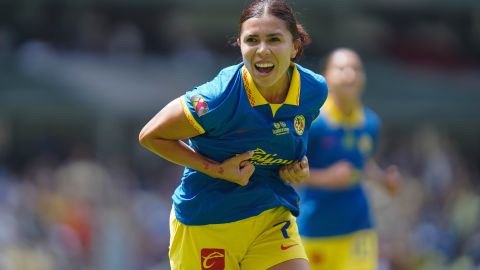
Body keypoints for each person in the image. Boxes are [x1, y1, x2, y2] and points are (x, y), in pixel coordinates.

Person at [138, 0, 328, 269]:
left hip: (270, 215)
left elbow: (289, 139)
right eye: (252, 40)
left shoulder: (313, 91)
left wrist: (298, 165)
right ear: (240, 45)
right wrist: (216, 170)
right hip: (207, 221)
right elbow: (150, 136)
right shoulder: (217, 98)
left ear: (295, 46)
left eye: (274, 39)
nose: (262, 50)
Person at [295, 48, 401, 270]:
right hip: (315, 230)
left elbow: (363, 164)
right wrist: (326, 178)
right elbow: (288, 173)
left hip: (358, 229)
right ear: (326, 76)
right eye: (342, 68)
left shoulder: (371, 123)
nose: (350, 75)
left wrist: (384, 180)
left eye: (356, 69)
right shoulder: (312, 122)